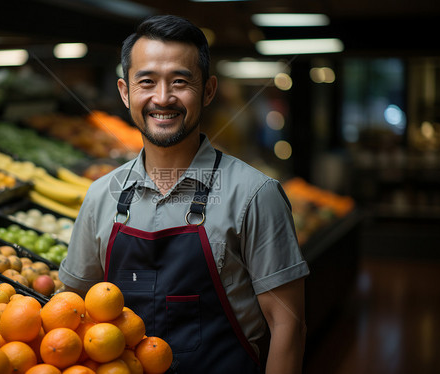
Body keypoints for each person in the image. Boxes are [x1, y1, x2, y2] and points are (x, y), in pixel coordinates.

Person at [59, 14, 310, 374]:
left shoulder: (256, 195)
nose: (163, 98)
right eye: (146, 82)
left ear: (208, 91)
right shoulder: (102, 195)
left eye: (180, 81)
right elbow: (71, 309)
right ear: (124, 91)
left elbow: (289, 325)